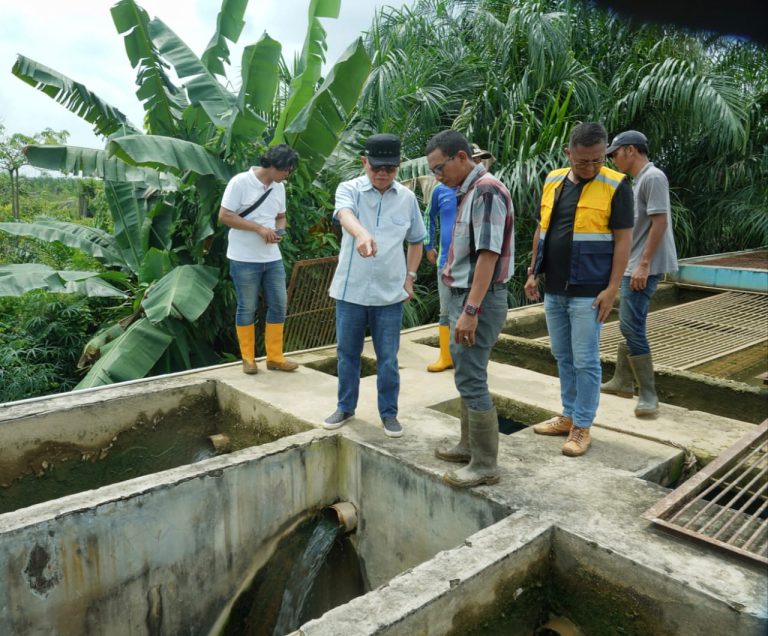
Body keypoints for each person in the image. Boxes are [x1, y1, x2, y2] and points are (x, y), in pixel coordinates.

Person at [524, 122, 633, 457]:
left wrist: (613, 287)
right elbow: (542, 229)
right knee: (562, 355)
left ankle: (582, 425)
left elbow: (623, 241)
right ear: (568, 153)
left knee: (585, 360)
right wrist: (532, 272)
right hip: (555, 288)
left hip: (590, 290)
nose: (590, 167)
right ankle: (568, 414)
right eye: (583, 161)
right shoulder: (553, 179)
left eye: (598, 160)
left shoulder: (616, 185)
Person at [426, 130, 514, 488]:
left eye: (439, 167)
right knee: (465, 373)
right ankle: (469, 447)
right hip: (467, 296)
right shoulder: (468, 191)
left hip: (480, 298)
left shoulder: (487, 191)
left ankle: (485, 465)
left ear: (462, 157)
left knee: (472, 376)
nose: (437, 176)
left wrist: (471, 309)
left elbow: (488, 255)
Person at [323, 133, 426, 438]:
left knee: (389, 359)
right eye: (376, 167)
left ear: (399, 166)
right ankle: (345, 407)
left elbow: (416, 241)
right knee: (347, 354)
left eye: (390, 168)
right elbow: (344, 214)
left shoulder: (407, 199)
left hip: (390, 294)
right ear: (364, 162)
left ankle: (389, 413)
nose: (382, 173)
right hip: (350, 292)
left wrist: (410, 278)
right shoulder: (349, 190)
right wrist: (362, 234)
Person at [600, 130, 678, 418]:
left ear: (630, 150)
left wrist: (644, 264)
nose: (613, 159)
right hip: (636, 261)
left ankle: (648, 393)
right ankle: (623, 380)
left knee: (631, 325)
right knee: (632, 322)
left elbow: (660, 223)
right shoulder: (640, 180)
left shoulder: (653, 177)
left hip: (646, 264)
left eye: (615, 153)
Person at [218, 144, 300, 375]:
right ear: (273, 165)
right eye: (286, 170)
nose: (287, 175)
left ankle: (275, 357)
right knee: (247, 307)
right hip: (243, 258)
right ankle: (248, 359)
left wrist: (279, 231)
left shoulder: (279, 187)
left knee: (279, 304)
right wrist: (258, 229)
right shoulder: (240, 182)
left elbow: (281, 217)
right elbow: (224, 216)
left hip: (272, 257)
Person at [424, 144, 496, 373]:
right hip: (447, 260)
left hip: (474, 263)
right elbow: (429, 217)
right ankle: (446, 355)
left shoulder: (485, 189)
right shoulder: (441, 189)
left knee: (476, 309)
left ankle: (473, 358)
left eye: (482, 159)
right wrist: (429, 245)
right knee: (446, 310)